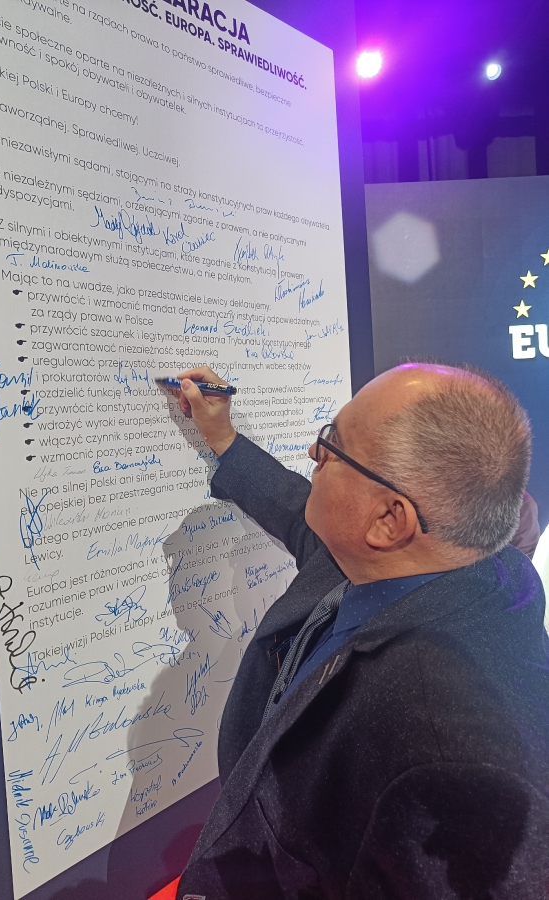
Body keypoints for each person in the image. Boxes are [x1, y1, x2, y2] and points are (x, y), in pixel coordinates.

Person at [172, 362, 549, 900]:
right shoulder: (458, 566)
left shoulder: (444, 752)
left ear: (388, 521)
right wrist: (225, 439)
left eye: (333, 446)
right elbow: (301, 515)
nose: (314, 453)